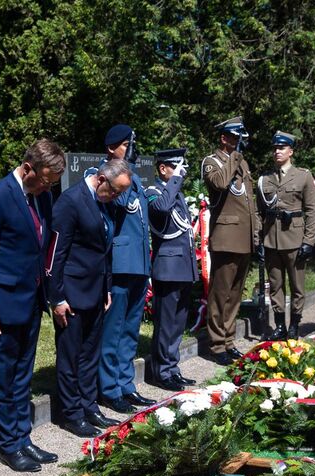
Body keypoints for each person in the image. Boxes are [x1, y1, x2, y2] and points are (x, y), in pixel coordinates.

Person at [0, 139, 65, 473]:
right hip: (3, 305)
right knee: (3, 376)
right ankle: (8, 444)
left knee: (22, 376)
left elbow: (41, 247)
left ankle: (23, 437)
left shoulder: (41, 198)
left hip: (30, 301)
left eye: (52, 183)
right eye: (44, 180)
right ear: (27, 169)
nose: (47, 187)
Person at [47, 158, 132, 438]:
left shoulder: (104, 202)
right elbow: (56, 253)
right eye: (116, 191)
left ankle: (88, 405)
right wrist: (56, 297)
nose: (117, 198)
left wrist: (106, 287)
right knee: (71, 356)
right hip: (71, 293)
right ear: (102, 180)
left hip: (96, 292)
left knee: (89, 355)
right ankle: (71, 413)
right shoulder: (71, 201)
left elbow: (103, 249)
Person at [97, 124, 157, 412]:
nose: (131, 149)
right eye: (126, 145)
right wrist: (126, 165)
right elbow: (116, 201)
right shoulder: (101, 175)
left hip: (138, 264)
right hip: (119, 265)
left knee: (131, 330)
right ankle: (109, 388)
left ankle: (125, 384)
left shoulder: (134, 180)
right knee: (114, 330)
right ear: (112, 148)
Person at [202, 116, 260, 365]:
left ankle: (228, 340)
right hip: (226, 237)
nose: (239, 141)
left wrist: (256, 234)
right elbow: (220, 183)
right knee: (221, 293)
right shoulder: (211, 162)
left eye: (240, 137)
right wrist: (234, 156)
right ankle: (216, 345)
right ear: (224, 138)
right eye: (235, 137)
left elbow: (250, 202)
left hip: (244, 238)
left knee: (236, 294)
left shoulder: (243, 163)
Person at [257, 131, 315, 340]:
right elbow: (259, 212)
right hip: (271, 239)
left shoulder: (303, 176)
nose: (277, 151)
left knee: (297, 286)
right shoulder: (265, 179)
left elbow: (313, 211)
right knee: (275, 286)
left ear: (290, 151)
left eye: (281, 148)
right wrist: (258, 239)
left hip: (294, 239)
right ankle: (280, 326)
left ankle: (294, 325)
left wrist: (309, 241)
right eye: (275, 148)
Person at [145, 148, 199, 390]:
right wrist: (176, 180)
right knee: (166, 324)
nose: (179, 172)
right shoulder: (154, 192)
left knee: (178, 323)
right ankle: (161, 372)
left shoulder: (175, 193)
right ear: (163, 169)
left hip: (183, 266)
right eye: (173, 167)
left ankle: (172, 368)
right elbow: (161, 209)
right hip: (167, 268)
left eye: (180, 168)